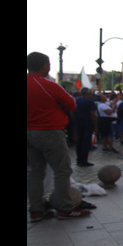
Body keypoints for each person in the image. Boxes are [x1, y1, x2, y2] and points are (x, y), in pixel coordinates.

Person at [27, 52, 89, 221]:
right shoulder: (47, 85)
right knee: (62, 170)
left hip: (29, 132)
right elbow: (71, 104)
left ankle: (36, 210)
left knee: (35, 171)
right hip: (50, 130)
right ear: (45, 66)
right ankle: (66, 208)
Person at [73, 88, 98, 167]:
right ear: (89, 94)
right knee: (86, 142)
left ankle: (79, 159)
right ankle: (84, 160)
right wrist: (95, 125)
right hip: (87, 123)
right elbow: (93, 114)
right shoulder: (90, 101)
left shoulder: (75, 100)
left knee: (79, 142)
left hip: (78, 123)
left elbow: (71, 112)